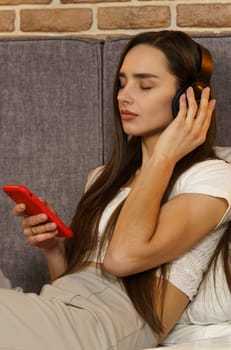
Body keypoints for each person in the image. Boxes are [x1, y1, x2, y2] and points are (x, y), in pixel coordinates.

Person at [0, 30, 231, 350]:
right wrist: (53, 248)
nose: (124, 95)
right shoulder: (102, 178)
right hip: (61, 308)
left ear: (188, 98)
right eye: (122, 83)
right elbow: (71, 284)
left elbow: (123, 258)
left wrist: (163, 155)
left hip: (119, 321)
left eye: (145, 85)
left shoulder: (211, 177)